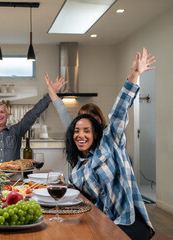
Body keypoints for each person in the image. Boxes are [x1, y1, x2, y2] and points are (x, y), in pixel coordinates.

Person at [64, 47, 155, 239]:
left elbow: (118, 112)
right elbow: (78, 199)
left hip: (126, 221)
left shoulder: (110, 142)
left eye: (86, 130)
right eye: (77, 131)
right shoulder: (77, 170)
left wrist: (134, 74)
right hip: (101, 222)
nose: (81, 135)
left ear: (96, 133)